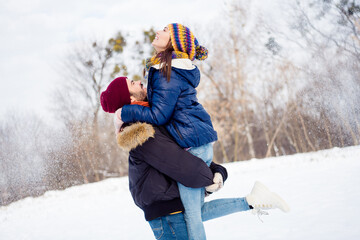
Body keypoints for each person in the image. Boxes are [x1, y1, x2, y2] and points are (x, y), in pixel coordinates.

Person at [101, 77, 290, 240]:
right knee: (195, 214)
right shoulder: (139, 133)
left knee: (196, 213)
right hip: (166, 215)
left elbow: (184, 154)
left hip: (173, 207)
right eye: (132, 83)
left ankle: (252, 200)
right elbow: (178, 163)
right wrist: (208, 178)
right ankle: (252, 200)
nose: (139, 82)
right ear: (131, 99)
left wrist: (217, 171)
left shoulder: (152, 123)